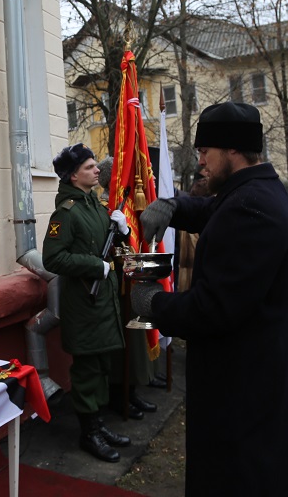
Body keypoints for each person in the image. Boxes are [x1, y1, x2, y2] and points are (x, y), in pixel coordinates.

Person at [131, 102, 288, 496]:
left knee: (237, 477)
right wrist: (174, 205)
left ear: (232, 150)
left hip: (239, 387)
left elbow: (214, 309)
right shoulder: (252, 192)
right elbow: (212, 210)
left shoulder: (252, 207)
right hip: (247, 375)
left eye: (205, 152)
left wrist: (154, 304)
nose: (201, 163)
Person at [43, 144, 131, 463]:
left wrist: (123, 229)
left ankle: (98, 423)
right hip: (84, 301)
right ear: (73, 175)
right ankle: (88, 432)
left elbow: (105, 244)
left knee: (102, 365)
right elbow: (53, 258)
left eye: (95, 166)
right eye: (90, 167)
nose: (97, 170)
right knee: (87, 369)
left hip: (103, 300)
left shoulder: (93, 204)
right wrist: (96, 266)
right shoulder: (65, 211)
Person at [94, 158, 158, 417]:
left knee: (136, 340)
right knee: (122, 344)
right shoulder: (102, 207)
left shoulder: (128, 205)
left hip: (132, 278)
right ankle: (119, 395)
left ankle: (132, 391)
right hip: (114, 283)